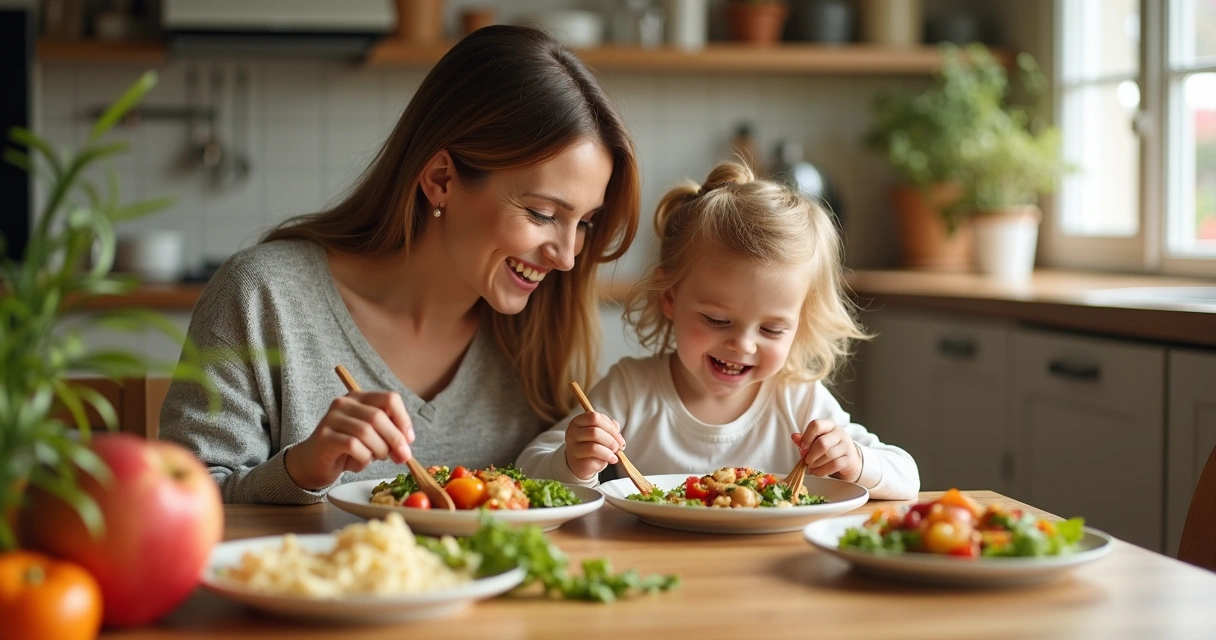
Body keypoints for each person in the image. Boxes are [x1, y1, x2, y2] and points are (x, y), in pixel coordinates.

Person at [159, 26, 640, 504]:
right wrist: (301, 469)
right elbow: (181, 503)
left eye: (585, 223)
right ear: (441, 179)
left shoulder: (540, 333)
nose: (567, 256)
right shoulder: (263, 296)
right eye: (542, 214)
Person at [517, 161, 919, 500]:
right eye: (717, 320)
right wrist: (573, 461)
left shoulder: (797, 400)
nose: (742, 344)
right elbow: (529, 467)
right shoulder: (630, 391)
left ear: (800, 324)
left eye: (773, 329)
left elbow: (907, 476)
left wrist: (856, 462)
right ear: (671, 299)